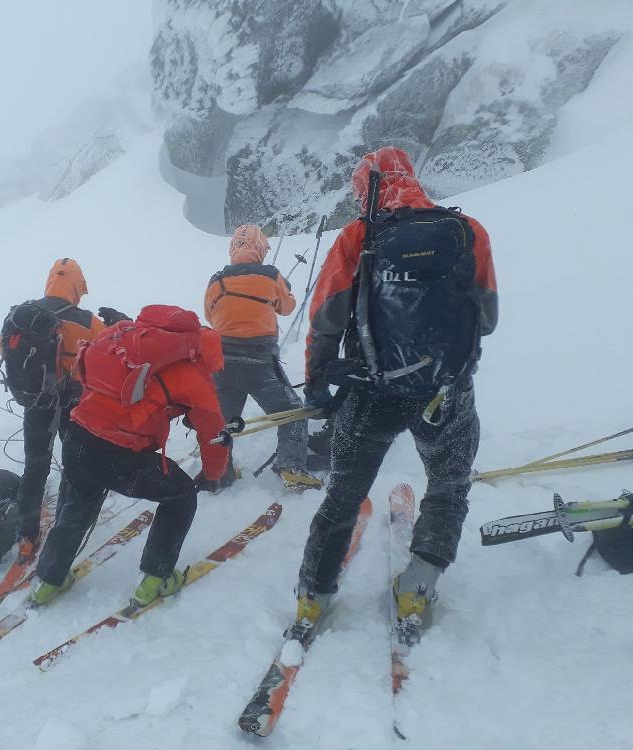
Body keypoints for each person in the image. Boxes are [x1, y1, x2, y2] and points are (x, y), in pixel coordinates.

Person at [295, 146, 498, 636]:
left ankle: (312, 598)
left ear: (365, 189)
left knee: (344, 494)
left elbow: (325, 320)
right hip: (444, 393)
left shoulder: (358, 236)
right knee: (448, 488)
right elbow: (487, 319)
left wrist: (319, 388)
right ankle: (419, 583)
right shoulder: (467, 232)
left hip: (371, 389)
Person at [31, 305, 229, 607]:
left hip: (78, 435)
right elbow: (213, 434)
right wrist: (214, 474)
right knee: (180, 494)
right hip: (120, 454)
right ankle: (155, 578)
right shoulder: (193, 374)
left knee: (77, 508)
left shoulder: (123, 336)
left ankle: (47, 581)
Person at [0, 258, 110, 564]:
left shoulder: (21, 316)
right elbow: (107, 354)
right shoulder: (86, 321)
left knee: (35, 468)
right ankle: (64, 524)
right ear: (76, 286)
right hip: (75, 403)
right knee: (73, 464)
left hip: (36, 403)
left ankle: (26, 536)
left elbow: (4, 349)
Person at [204, 224, 321, 491]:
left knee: (222, 422)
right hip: (259, 364)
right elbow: (287, 307)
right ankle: (291, 466)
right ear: (260, 248)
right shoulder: (271, 276)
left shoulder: (217, 281)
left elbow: (210, 316)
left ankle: (220, 474)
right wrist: (282, 291)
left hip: (222, 364)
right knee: (292, 413)